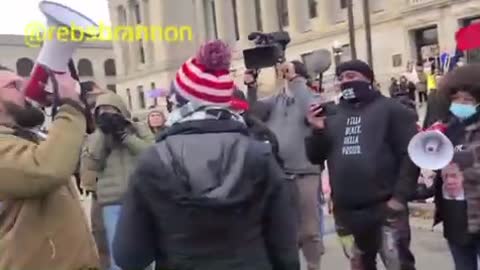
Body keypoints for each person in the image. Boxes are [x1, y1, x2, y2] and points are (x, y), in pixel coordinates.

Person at [112, 39, 299, 270]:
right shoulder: (259, 154)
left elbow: (129, 256)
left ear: (177, 101)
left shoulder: (152, 161)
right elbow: (286, 250)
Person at [305, 59, 420, 270]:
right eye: (340, 79)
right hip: (346, 211)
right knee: (358, 264)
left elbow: (410, 156)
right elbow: (315, 157)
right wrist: (317, 130)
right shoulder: (332, 113)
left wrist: (399, 198)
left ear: (368, 78)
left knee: (398, 264)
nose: (345, 82)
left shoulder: (392, 110)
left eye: (351, 76)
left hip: (385, 208)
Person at [0, 67, 99, 269]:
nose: (24, 89)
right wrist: (69, 105)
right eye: (13, 85)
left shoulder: (21, 138)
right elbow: (47, 168)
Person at [245, 59, 324, 270]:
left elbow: (312, 109)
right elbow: (252, 112)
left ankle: (313, 265)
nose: (283, 74)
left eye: (287, 71)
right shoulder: (275, 100)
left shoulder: (310, 96)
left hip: (305, 171)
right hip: (279, 172)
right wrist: (251, 87)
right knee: (283, 228)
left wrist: (296, 81)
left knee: (309, 229)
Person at [416, 64, 480, 270]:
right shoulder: (449, 129)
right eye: (456, 99)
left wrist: (463, 173)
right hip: (455, 216)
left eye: (467, 99)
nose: (460, 104)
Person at [82, 92, 154, 270]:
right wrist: (102, 134)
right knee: (118, 255)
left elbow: (152, 154)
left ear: (121, 110)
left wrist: (125, 136)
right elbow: (91, 163)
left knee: (147, 251)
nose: (107, 114)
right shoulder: (95, 136)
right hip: (112, 202)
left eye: (111, 110)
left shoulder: (139, 128)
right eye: (102, 111)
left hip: (141, 198)